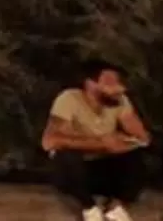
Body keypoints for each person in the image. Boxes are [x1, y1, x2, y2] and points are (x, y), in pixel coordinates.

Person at [45, 58, 152, 221]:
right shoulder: (69, 99)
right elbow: (50, 141)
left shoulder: (120, 101)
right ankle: (89, 208)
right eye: (110, 82)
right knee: (66, 156)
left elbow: (142, 137)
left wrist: (120, 142)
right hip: (78, 170)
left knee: (138, 157)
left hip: (104, 167)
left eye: (119, 82)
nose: (119, 88)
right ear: (90, 83)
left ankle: (115, 207)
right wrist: (100, 143)